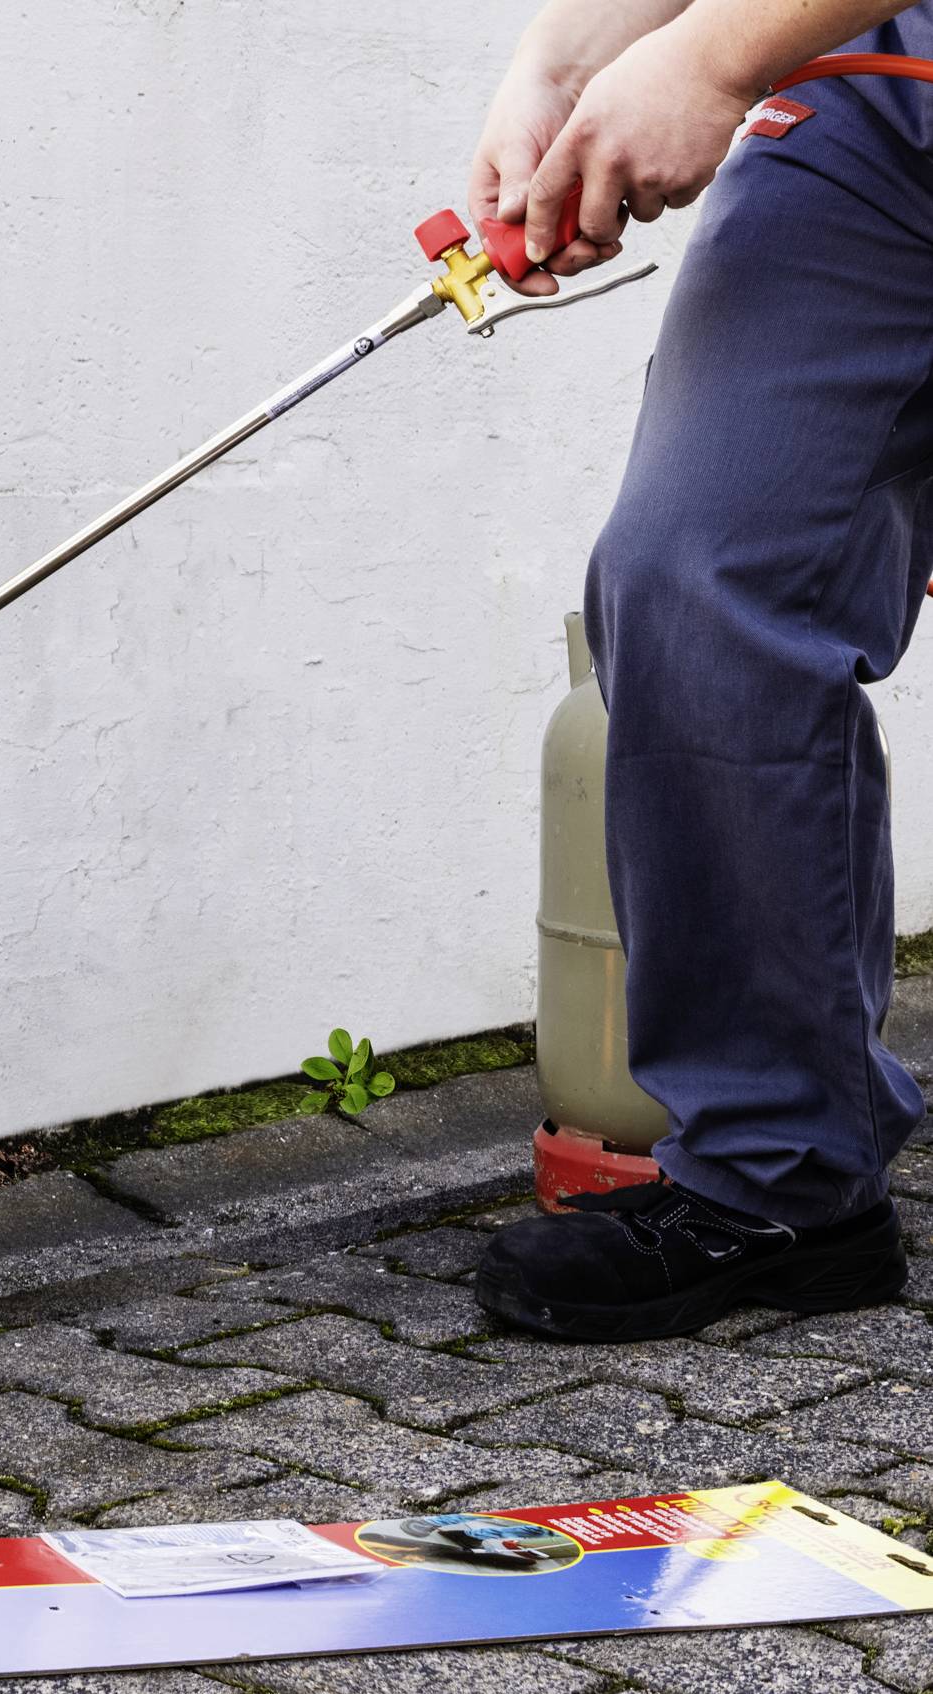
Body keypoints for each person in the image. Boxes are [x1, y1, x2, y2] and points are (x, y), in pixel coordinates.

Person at [468, 0, 932, 1339]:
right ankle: (782, 1182)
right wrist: (557, 65)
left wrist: (713, 54)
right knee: (698, 574)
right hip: (877, 100)